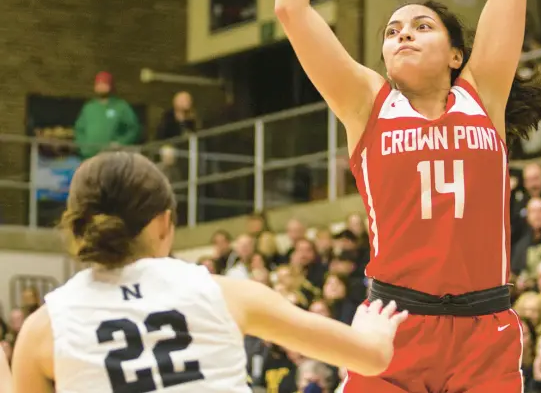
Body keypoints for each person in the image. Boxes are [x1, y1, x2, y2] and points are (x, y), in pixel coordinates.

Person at [275, 0, 541, 392]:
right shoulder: (366, 103)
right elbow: (291, 8)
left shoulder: (482, 95)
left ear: (455, 55)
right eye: (392, 31)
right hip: (394, 328)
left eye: (421, 26)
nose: (402, 33)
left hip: (484, 328)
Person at [10, 152, 408, 393]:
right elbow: (371, 358)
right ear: (164, 223)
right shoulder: (224, 293)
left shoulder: (43, 328)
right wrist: (374, 329)